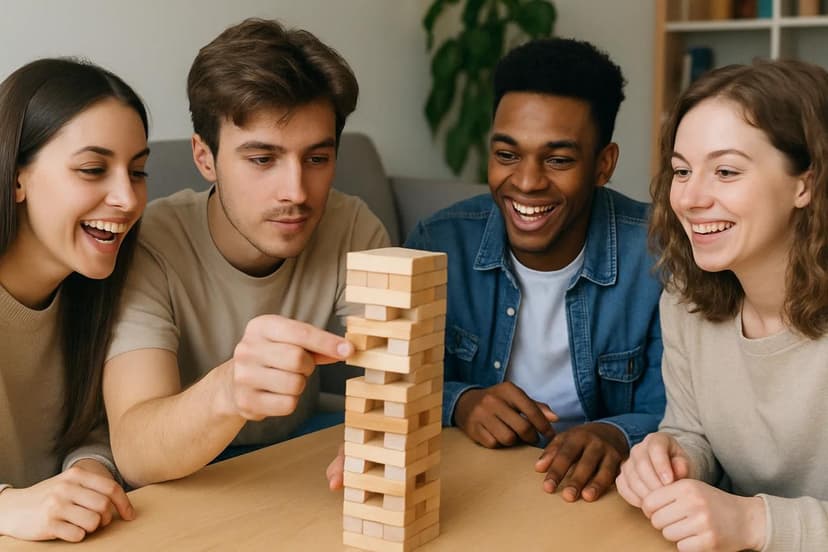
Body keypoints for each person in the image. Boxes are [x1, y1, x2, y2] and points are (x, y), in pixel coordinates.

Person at [327, 38, 664, 503]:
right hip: (477, 482)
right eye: (507, 155)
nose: (526, 182)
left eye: (559, 159)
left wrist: (614, 435)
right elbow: (390, 382)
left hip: (599, 494)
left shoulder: (659, 255)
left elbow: (681, 409)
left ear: (603, 165)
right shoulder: (439, 243)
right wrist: (461, 402)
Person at [103, 18, 389, 488]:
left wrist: (375, 432)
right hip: (184, 476)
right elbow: (135, 450)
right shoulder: (149, 243)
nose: (296, 192)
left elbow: (394, 380)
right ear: (205, 158)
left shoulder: (353, 227)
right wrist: (228, 391)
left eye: (317, 158)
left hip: (299, 451)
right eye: (262, 159)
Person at [616, 59, 828, 551]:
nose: (689, 198)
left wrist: (755, 522)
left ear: (806, 184)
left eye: (726, 171)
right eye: (682, 171)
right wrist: (675, 457)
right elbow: (693, 431)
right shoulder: (685, 306)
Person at [0, 58, 148, 541]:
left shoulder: (100, 291)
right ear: (16, 176)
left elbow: (94, 430)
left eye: (139, 171)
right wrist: (7, 507)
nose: (127, 198)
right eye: (92, 169)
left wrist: (91, 471)